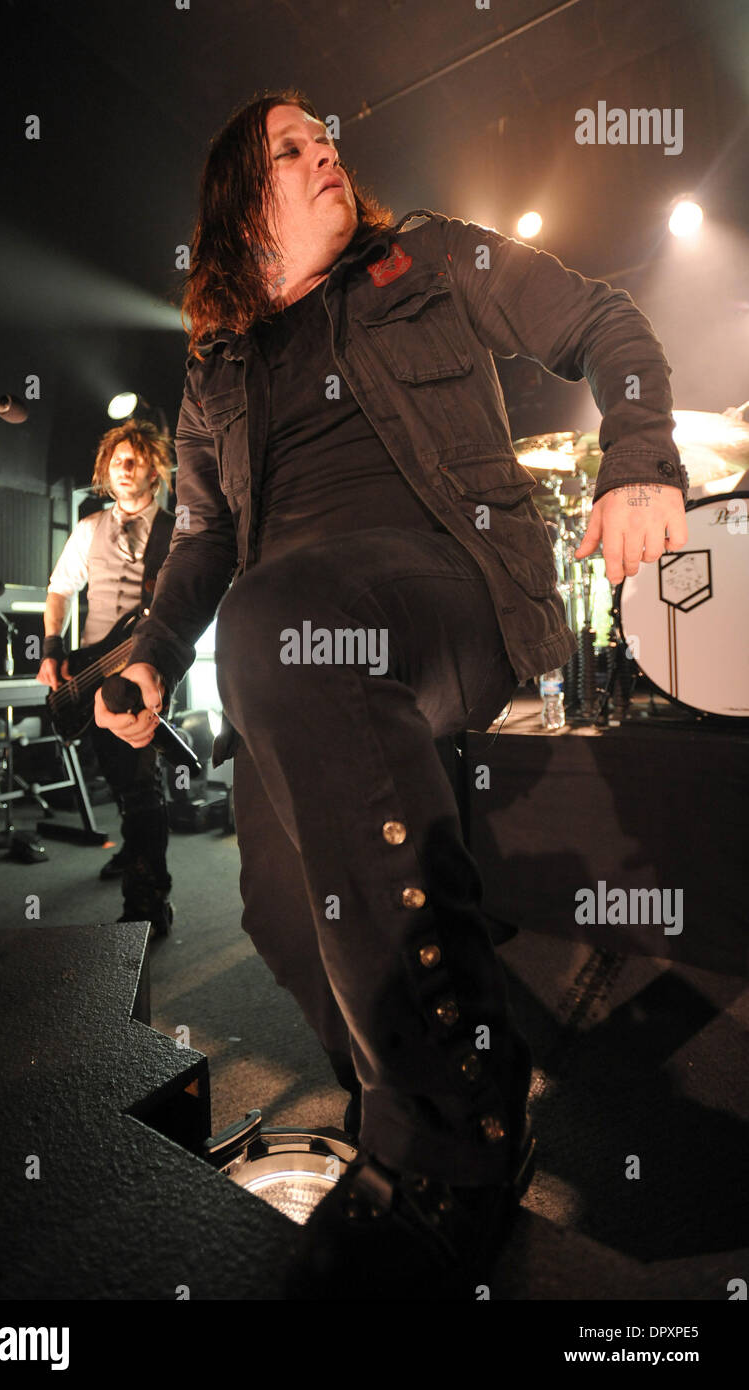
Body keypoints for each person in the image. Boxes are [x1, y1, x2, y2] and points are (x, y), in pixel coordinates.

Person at [94, 90, 688, 1296]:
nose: (328, 156)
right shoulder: (214, 372)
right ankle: (439, 1077)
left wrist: (638, 458)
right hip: (293, 644)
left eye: (329, 139)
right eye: (292, 149)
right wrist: (148, 648)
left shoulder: (429, 254)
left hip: (450, 587)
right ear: (235, 211)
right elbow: (204, 539)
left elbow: (606, 324)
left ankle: (452, 1145)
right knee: (275, 904)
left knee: (285, 617)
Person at [37, 420, 176, 938]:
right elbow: (59, 589)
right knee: (120, 780)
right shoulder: (89, 527)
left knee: (142, 786)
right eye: (117, 457)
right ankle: (135, 851)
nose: (124, 464)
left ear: (155, 468)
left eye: (135, 457)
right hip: (87, 671)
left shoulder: (175, 530)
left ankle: (147, 900)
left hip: (140, 673)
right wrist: (53, 650)